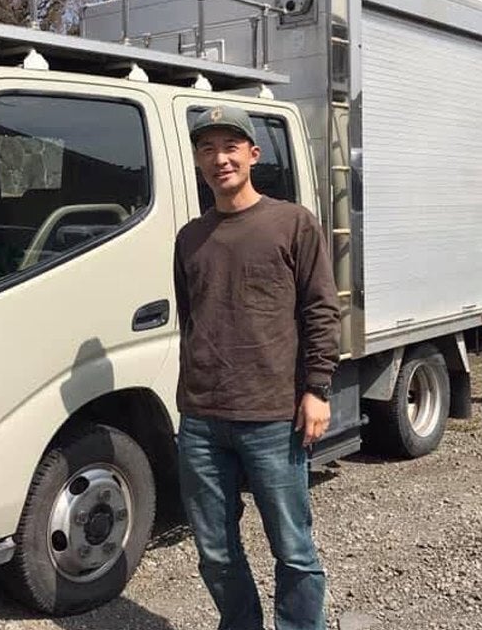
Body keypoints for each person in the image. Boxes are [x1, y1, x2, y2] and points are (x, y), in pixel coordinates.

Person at [173, 105, 341, 630]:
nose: (219, 159)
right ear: (197, 160)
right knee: (215, 552)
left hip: (272, 415)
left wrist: (317, 389)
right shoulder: (190, 237)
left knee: (293, 548)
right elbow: (190, 319)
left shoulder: (292, 222)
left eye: (230, 147)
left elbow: (321, 310)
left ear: (253, 154)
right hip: (201, 419)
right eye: (207, 149)